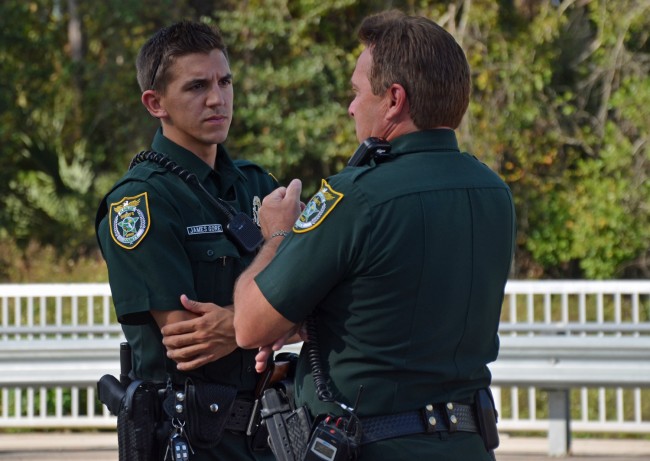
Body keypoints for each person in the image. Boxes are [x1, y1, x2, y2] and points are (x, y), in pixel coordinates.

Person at [232, 10, 516, 461]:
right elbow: (399, 305)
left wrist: (278, 234)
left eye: (357, 91)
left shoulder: (355, 196)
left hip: (372, 446)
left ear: (394, 100)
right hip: (468, 443)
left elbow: (249, 325)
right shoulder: (493, 192)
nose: (350, 106)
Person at [95, 20, 276, 461]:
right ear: (155, 103)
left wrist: (238, 324)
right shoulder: (140, 202)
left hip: (272, 435)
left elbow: (315, 302)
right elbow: (188, 337)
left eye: (225, 81)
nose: (218, 99)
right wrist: (272, 317)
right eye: (197, 86)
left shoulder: (259, 187)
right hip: (190, 439)